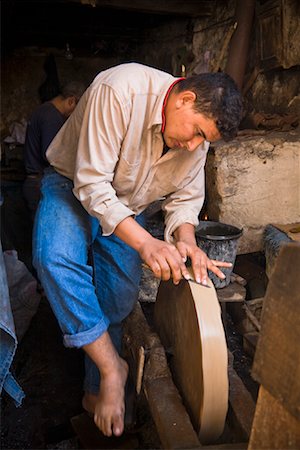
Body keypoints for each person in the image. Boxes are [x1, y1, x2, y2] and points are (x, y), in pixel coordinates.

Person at [32, 62, 243, 438]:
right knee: (55, 258)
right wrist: (146, 242)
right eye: (196, 132)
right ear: (185, 99)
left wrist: (187, 243)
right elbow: (92, 184)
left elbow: (184, 200)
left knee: (118, 295)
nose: (195, 146)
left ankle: (94, 390)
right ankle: (113, 369)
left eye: (204, 140)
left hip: (128, 204)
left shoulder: (196, 140)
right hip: (72, 185)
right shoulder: (120, 90)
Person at [22, 81, 85, 218]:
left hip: (33, 181)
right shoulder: (51, 117)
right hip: (39, 183)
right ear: (71, 101)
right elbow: (52, 155)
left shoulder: (43, 110)